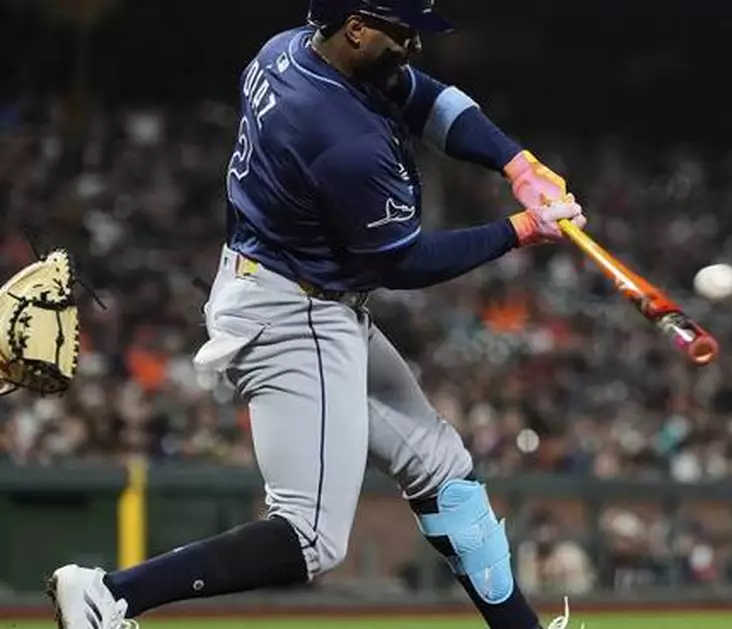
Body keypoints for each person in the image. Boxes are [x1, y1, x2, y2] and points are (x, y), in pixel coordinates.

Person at [46, 1, 584, 628]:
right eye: (401, 32)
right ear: (356, 27)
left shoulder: (292, 48)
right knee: (309, 537)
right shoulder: (338, 133)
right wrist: (521, 230)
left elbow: (423, 98)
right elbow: (403, 264)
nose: (414, 46)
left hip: (290, 287)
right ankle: (107, 594)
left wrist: (517, 166)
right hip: (295, 311)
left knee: (442, 467)